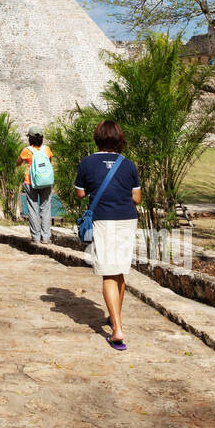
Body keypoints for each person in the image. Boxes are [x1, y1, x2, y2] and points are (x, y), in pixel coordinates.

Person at [74, 119, 142, 352]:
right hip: (127, 219)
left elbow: (80, 194)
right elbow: (137, 198)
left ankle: (117, 329)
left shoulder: (87, 162)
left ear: (98, 138)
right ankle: (116, 319)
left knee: (107, 274)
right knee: (120, 270)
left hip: (104, 220)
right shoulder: (128, 164)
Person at [17, 126, 55, 244]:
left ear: (30, 139)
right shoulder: (47, 149)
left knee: (33, 209)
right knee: (46, 208)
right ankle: (46, 237)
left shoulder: (26, 151)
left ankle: (36, 237)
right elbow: (49, 161)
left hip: (30, 181)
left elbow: (18, 163)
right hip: (46, 182)